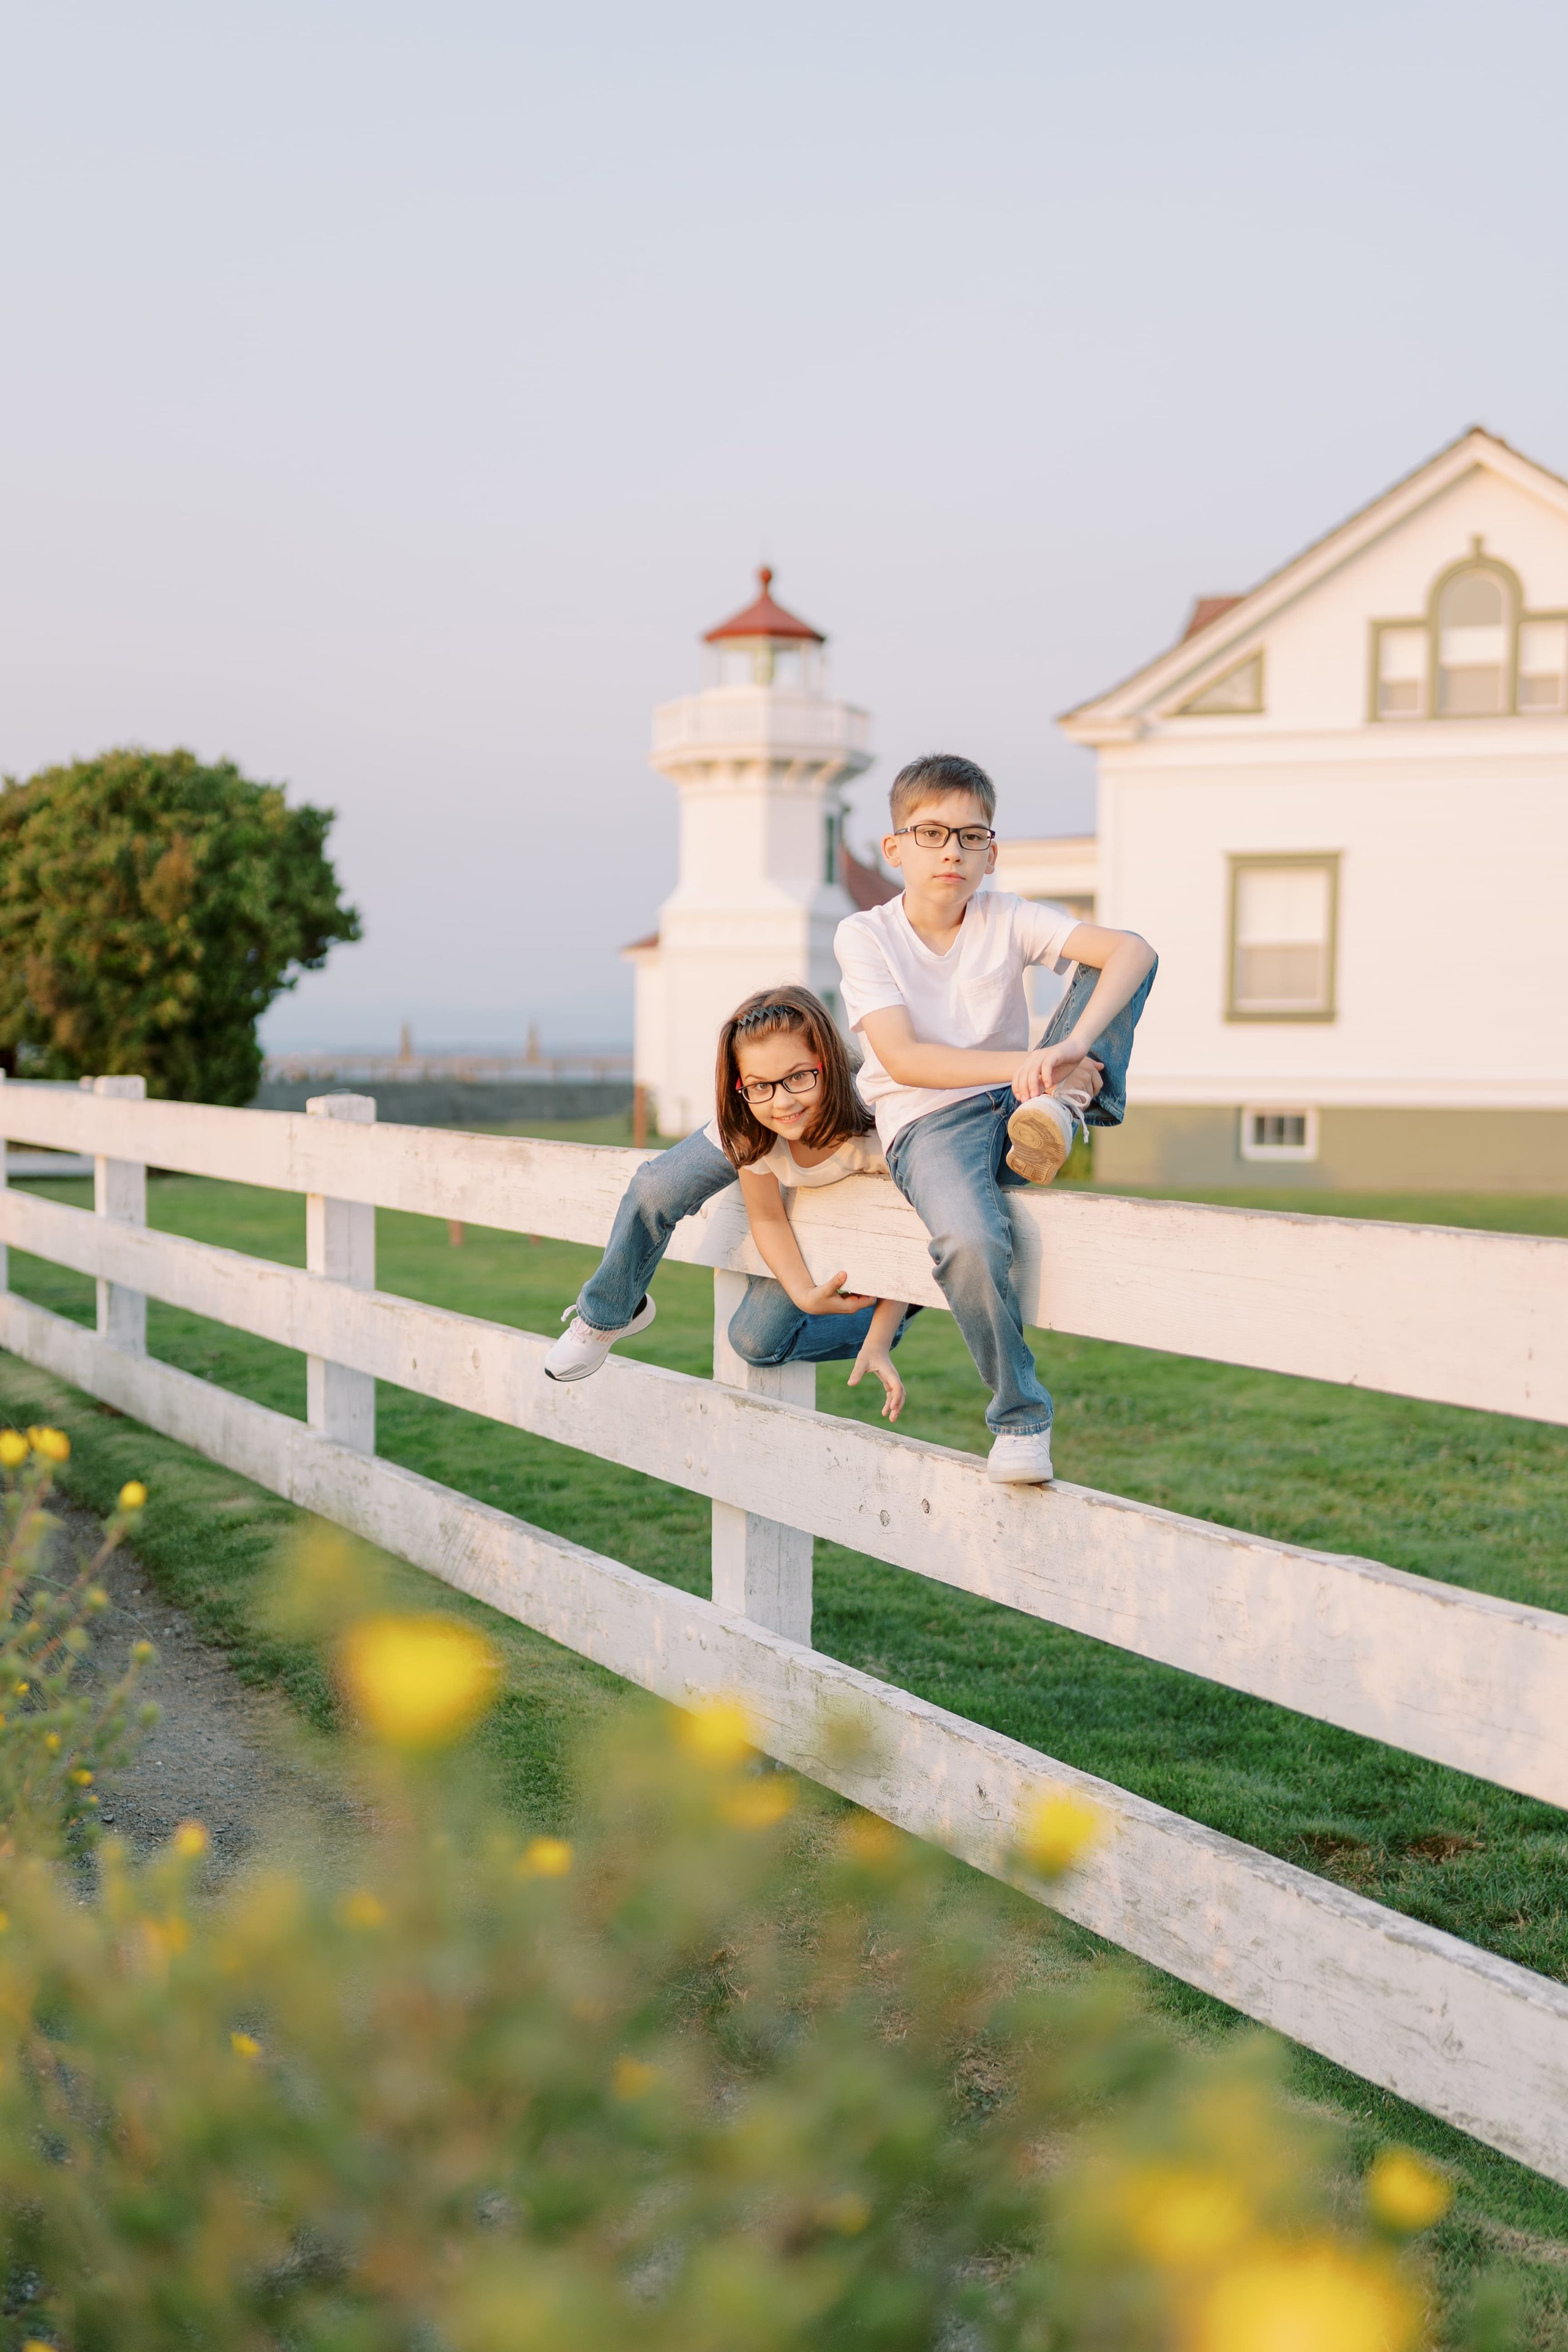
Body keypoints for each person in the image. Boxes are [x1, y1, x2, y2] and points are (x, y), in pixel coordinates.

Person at [834, 752, 1157, 1487]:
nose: (952, 850)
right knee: (969, 1240)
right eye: (932, 833)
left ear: (990, 853)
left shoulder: (1004, 915)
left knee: (1113, 970)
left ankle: (1063, 1102)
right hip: (930, 1122)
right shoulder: (865, 936)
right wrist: (1026, 1066)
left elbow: (1132, 951)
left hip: (1018, 1098)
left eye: (971, 837)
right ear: (895, 848)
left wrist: (1068, 1045)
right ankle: (1021, 1417)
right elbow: (906, 1059)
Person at [543, 984, 915, 1422]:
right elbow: (766, 1214)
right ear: (741, 1086)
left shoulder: (879, 1128)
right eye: (760, 1084)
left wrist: (881, 1328)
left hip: (874, 1242)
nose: (784, 1101)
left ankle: (895, 1318)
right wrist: (802, 1292)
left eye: (798, 1076)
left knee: (754, 1342)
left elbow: (908, 1229)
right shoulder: (751, 1121)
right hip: (781, 1200)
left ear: (827, 1063)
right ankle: (606, 1316)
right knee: (656, 1187)